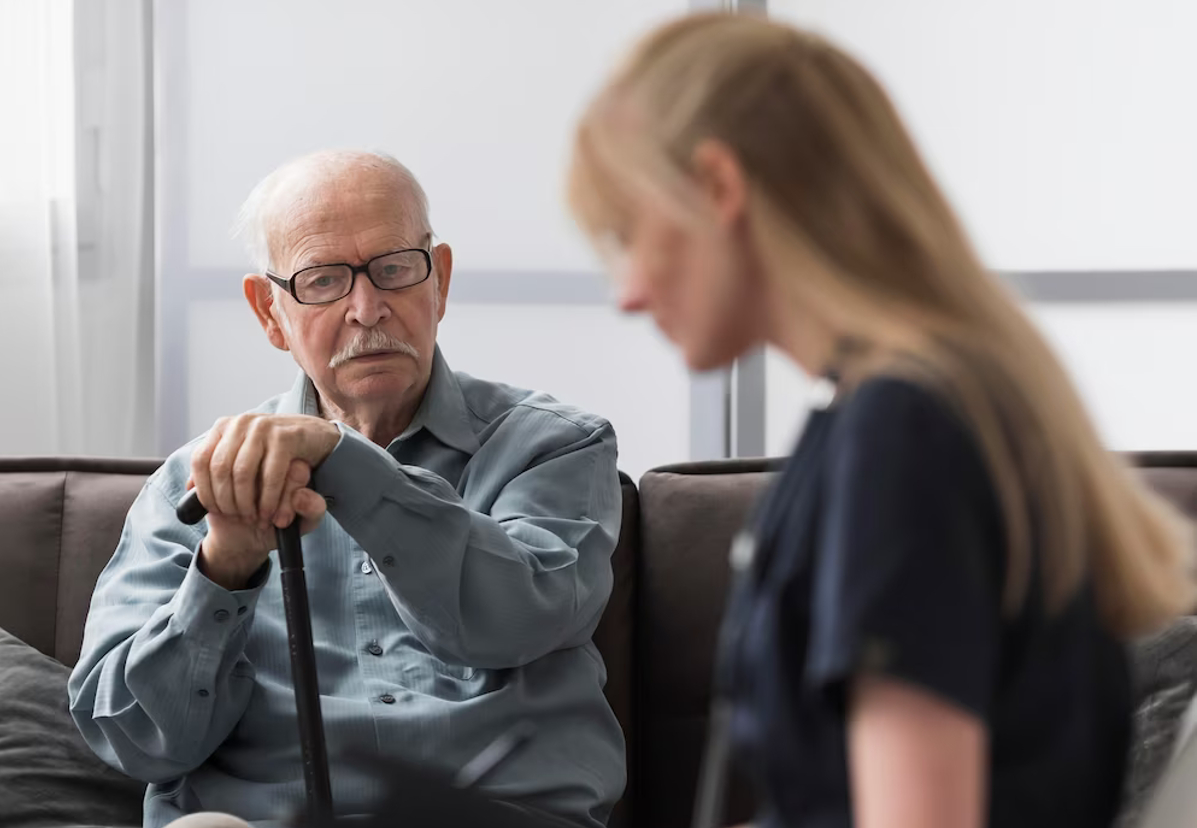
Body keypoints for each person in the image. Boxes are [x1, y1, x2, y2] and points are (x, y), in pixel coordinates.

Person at [566, 12, 1195, 828]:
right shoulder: (916, 408)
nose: (627, 294)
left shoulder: (904, 438)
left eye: (626, 235)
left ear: (721, 188)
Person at [68, 150, 625, 828]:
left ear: (438, 281)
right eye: (324, 280)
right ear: (269, 313)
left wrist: (344, 461)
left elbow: (513, 619)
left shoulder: (554, 447)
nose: (368, 309)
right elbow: (134, 741)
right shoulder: (194, 485)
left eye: (393, 269)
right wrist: (225, 570)